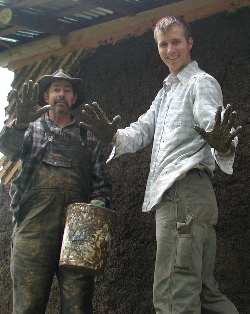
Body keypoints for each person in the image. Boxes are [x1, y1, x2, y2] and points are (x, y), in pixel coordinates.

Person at [80, 16, 242, 313]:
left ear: (190, 43)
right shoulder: (166, 92)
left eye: (176, 42)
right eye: (163, 44)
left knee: (172, 296)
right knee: (206, 295)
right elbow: (142, 131)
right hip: (190, 199)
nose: (170, 50)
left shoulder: (199, 82)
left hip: (183, 193)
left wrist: (224, 142)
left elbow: (213, 121)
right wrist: (113, 136)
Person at [0, 69, 112, 313]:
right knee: (27, 305)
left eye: (67, 90)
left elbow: (101, 184)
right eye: (56, 90)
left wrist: (98, 204)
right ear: (45, 96)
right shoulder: (30, 129)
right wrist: (19, 124)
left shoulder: (88, 137)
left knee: (78, 306)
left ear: (74, 99)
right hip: (32, 232)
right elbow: (8, 149)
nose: (62, 94)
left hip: (77, 235)